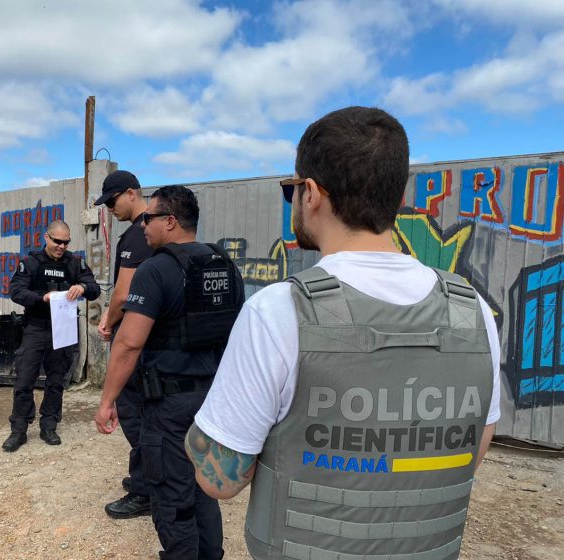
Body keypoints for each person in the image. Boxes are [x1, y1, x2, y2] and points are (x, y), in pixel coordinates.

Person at [185, 106, 501, 560]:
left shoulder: (277, 311)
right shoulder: (472, 313)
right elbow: (469, 455)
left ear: (311, 192)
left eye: (290, 189)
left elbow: (218, 481)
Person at [95, 185, 245, 560]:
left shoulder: (155, 269)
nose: (144, 224)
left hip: (168, 404)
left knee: (171, 496)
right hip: (213, 401)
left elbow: (129, 343)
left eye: (151, 217)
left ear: (171, 221)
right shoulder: (224, 265)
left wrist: (108, 400)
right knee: (202, 488)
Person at [3, 220, 101, 452]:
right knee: (24, 379)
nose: (61, 246)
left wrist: (83, 288)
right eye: (57, 241)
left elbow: (94, 286)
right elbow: (16, 291)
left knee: (57, 380)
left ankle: (49, 425)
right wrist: (42, 298)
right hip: (36, 327)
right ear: (46, 237)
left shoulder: (75, 263)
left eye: (66, 242)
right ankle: (19, 429)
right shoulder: (31, 262)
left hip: (64, 328)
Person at [94, 170, 153, 519]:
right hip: (151, 335)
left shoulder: (138, 234)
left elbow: (123, 290)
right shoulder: (157, 229)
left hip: (136, 334)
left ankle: (146, 489)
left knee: (134, 414)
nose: (110, 210)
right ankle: (144, 477)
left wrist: (108, 319)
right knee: (145, 413)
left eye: (113, 201)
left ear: (131, 193)